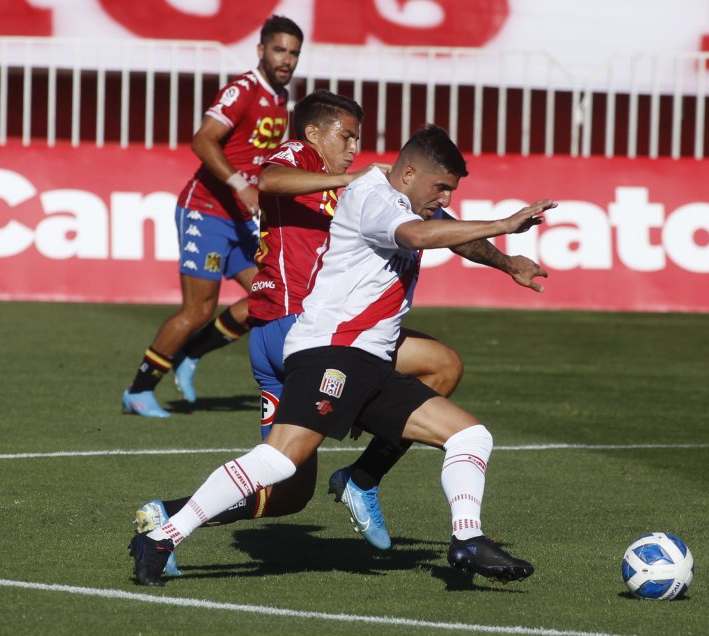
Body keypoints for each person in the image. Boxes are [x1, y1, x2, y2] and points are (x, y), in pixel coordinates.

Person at [133, 92, 549, 575]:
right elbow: (276, 181)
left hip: (352, 352)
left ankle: (466, 539)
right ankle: (169, 535)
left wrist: (506, 262)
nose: (354, 147)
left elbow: (446, 229)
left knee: (459, 437)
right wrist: (503, 221)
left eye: (358, 138)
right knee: (282, 459)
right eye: (346, 136)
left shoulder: (397, 196)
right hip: (320, 341)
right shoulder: (357, 186)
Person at [121, 15, 303, 418]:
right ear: (261, 51)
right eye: (279, 49)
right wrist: (240, 185)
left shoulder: (279, 97)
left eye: (293, 52)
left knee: (268, 296)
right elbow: (202, 139)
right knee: (199, 309)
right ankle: (139, 389)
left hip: (240, 219)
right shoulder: (244, 89)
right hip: (205, 210)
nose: (286, 59)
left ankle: (191, 355)